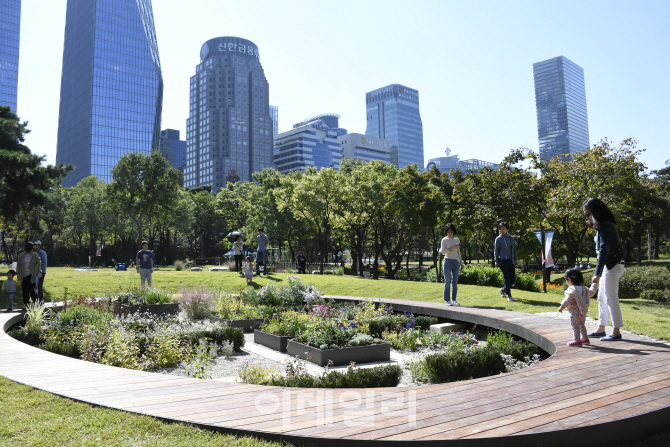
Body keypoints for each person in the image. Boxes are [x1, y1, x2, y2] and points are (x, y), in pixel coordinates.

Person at [583, 198, 625, 341]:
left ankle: (616, 332)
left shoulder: (607, 226)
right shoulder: (601, 226)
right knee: (601, 297)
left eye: (587, 214)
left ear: (595, 212)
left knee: (611, 297)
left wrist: (597, 273)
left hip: (613, 263)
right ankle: (601, 328)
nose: (587, 217)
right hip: (609, 264)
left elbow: (604, 250)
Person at [558, 267, 598, 346]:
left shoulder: (571, 289)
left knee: (575, 325)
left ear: (569, 279)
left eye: (566, 280)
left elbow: (568, 299)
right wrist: (594, 284)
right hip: (583, 311)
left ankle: (577, 340)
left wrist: (562, 306)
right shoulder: (585, 289)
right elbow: (592, 292)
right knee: (582, 324)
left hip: (574, 312)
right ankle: (585, 338)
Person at [440, 223, 464, 306]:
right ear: (446, 232)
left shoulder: (457, 240)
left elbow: (458, 253)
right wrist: (451, 249)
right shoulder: (444, 240)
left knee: (455, 283)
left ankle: (454, 299)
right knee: (447, 282)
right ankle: (447, 300)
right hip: (447, 262)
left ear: (454, 232)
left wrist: (461, 263)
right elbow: (443, 252)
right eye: (448, 232)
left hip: (456, 262)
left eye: (451, 232)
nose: (450, 233)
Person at [495, 221, 518, 302]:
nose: (502, 230)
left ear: (507, 229)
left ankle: (503, 290)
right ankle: (509, 295)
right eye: (500, 229)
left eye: (503, 228)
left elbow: (514, 249)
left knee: (512, 279)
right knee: (507, 278)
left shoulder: (511, 238)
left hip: (511, 261)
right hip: (503, 261)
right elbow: (496, 251)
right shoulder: (498, 239)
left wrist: (516, 259)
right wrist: (496, 261)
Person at [16, 242, 41, 307]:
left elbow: (39, 263)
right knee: (25, 291)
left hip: (31, 275)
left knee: (31, 290)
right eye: (32, 248)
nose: (33, 249)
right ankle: (26, 305)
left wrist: (39, 272)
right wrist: (18, 274)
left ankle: (36, 304)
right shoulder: (21, 255)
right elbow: (18, 265)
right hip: (23, 275)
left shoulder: (35, 255)